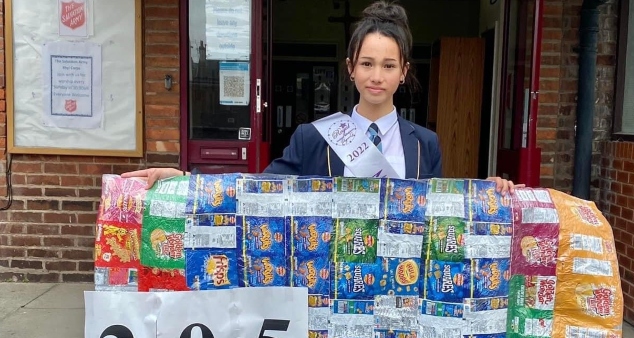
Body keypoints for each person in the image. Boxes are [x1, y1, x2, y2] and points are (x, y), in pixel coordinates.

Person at [123, 0, 522, 195]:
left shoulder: (425, 144)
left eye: (388, 65)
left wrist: (487, 193)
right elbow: (259, 190)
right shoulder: (314, 137)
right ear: (350, 68)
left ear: (404, 71)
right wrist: (187, 181)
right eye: (367, 63)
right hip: (331, 295)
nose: (376, 76)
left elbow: (440, 214)